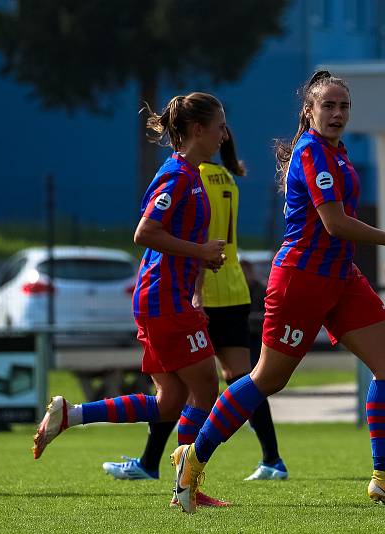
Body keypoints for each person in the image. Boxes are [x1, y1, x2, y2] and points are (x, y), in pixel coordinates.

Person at [169, 70, 385, 514]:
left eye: (343, 106)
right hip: (302, 280)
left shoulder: (338, 151)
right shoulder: (312, 152)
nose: (337, 113)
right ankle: (193, 458)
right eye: (328, 106)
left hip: (341, 277)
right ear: (309, 111)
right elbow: (334, 224)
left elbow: (337, 228)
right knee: (268, 378)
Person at [32, 92, 230, 506]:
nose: (224, 134)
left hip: (169, 299)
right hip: (162, 301)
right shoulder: (177, 175)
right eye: (219, 126)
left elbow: (178, 242)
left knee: (170, 401)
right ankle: (186, 488)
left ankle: (71, 414)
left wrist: (197, 280)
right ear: (198, 130)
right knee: (206, 390)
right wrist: (200, 253)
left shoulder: (193, 175)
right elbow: (144, 233)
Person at [102, 128, 288, 482]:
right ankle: (271, 457)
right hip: (234, 287)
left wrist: (196, 291)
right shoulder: (228, 178)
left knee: (180, 387)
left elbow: (199, 238)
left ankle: (164, 468)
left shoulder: (193, 174)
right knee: (243, 381)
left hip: (201, 287)